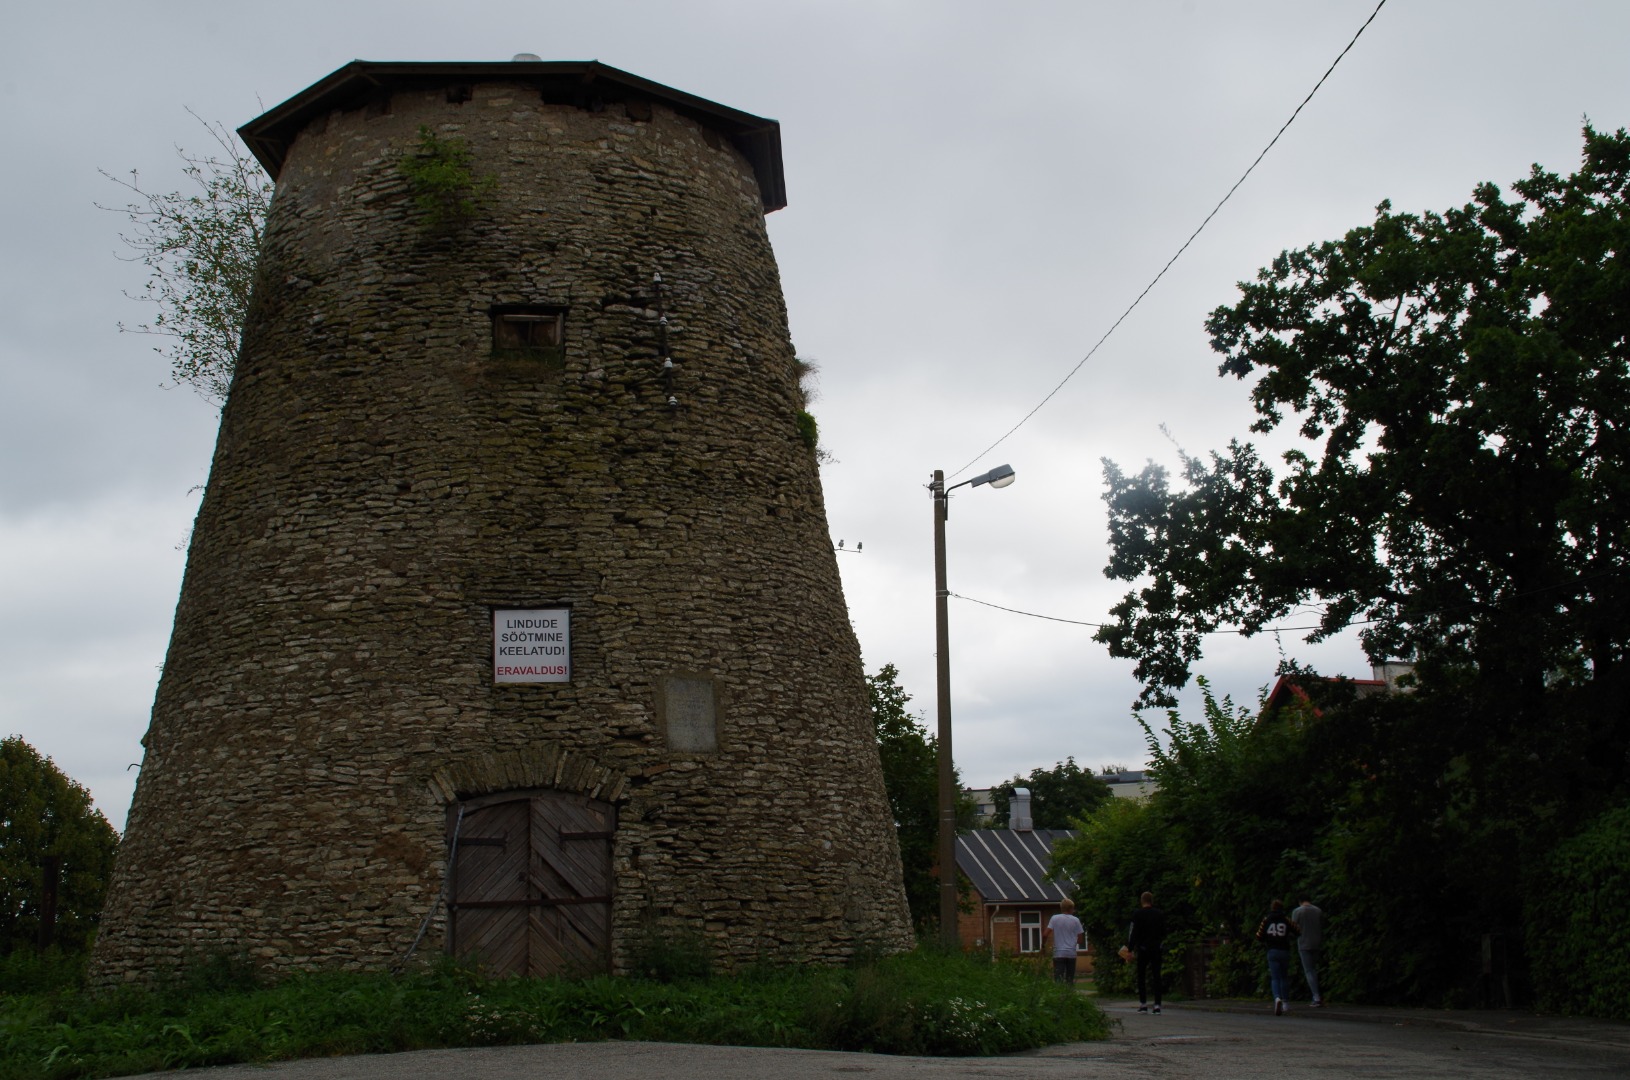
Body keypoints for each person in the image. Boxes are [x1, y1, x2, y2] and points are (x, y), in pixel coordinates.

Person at [1256, 899, 1300, 1015]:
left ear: (1272, 908)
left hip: (1272, 950)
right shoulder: (1286, 920)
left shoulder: (1266, 920)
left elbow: (1259, 935)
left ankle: (1277, 998)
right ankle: (1285, 1003)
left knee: (1275, 977)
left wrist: (1267, 939)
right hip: (1284, 950)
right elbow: (1297, 930)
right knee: (1284, 977)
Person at [1127, 891, 1166, 1014]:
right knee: (1156, 976)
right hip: (1156, 948)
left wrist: (1130, 949)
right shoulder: (1159, 914)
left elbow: (1133, 933)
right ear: (1151, 901)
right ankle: (1157, 1005)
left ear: (1142, 901)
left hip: (1143, 948)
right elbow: (1164, 931)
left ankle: (1143, 1004)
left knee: (1141, 976)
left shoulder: (1137, 914)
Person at [1044, 898, 1086, 985]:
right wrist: (1073, 941)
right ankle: (1069, 995)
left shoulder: (1054, 918)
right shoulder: (1076, 920)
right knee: (1069, 979)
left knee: (1058, 978)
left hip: (1058, 953)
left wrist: (1042, 946)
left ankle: (1058, 996)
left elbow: (1045, 934)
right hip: (1071, 952)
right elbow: (1081, 939)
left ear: (1061, 908)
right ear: (1071, 909)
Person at [1291, 898, 1324, 1007]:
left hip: (1304, 943)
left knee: (1309, 970)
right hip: (1317, 942)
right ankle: (1317, 994)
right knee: (1314, 969)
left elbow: (1293, 928)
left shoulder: (1297, 911)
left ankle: (1316, 996)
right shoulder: (1318, 910)